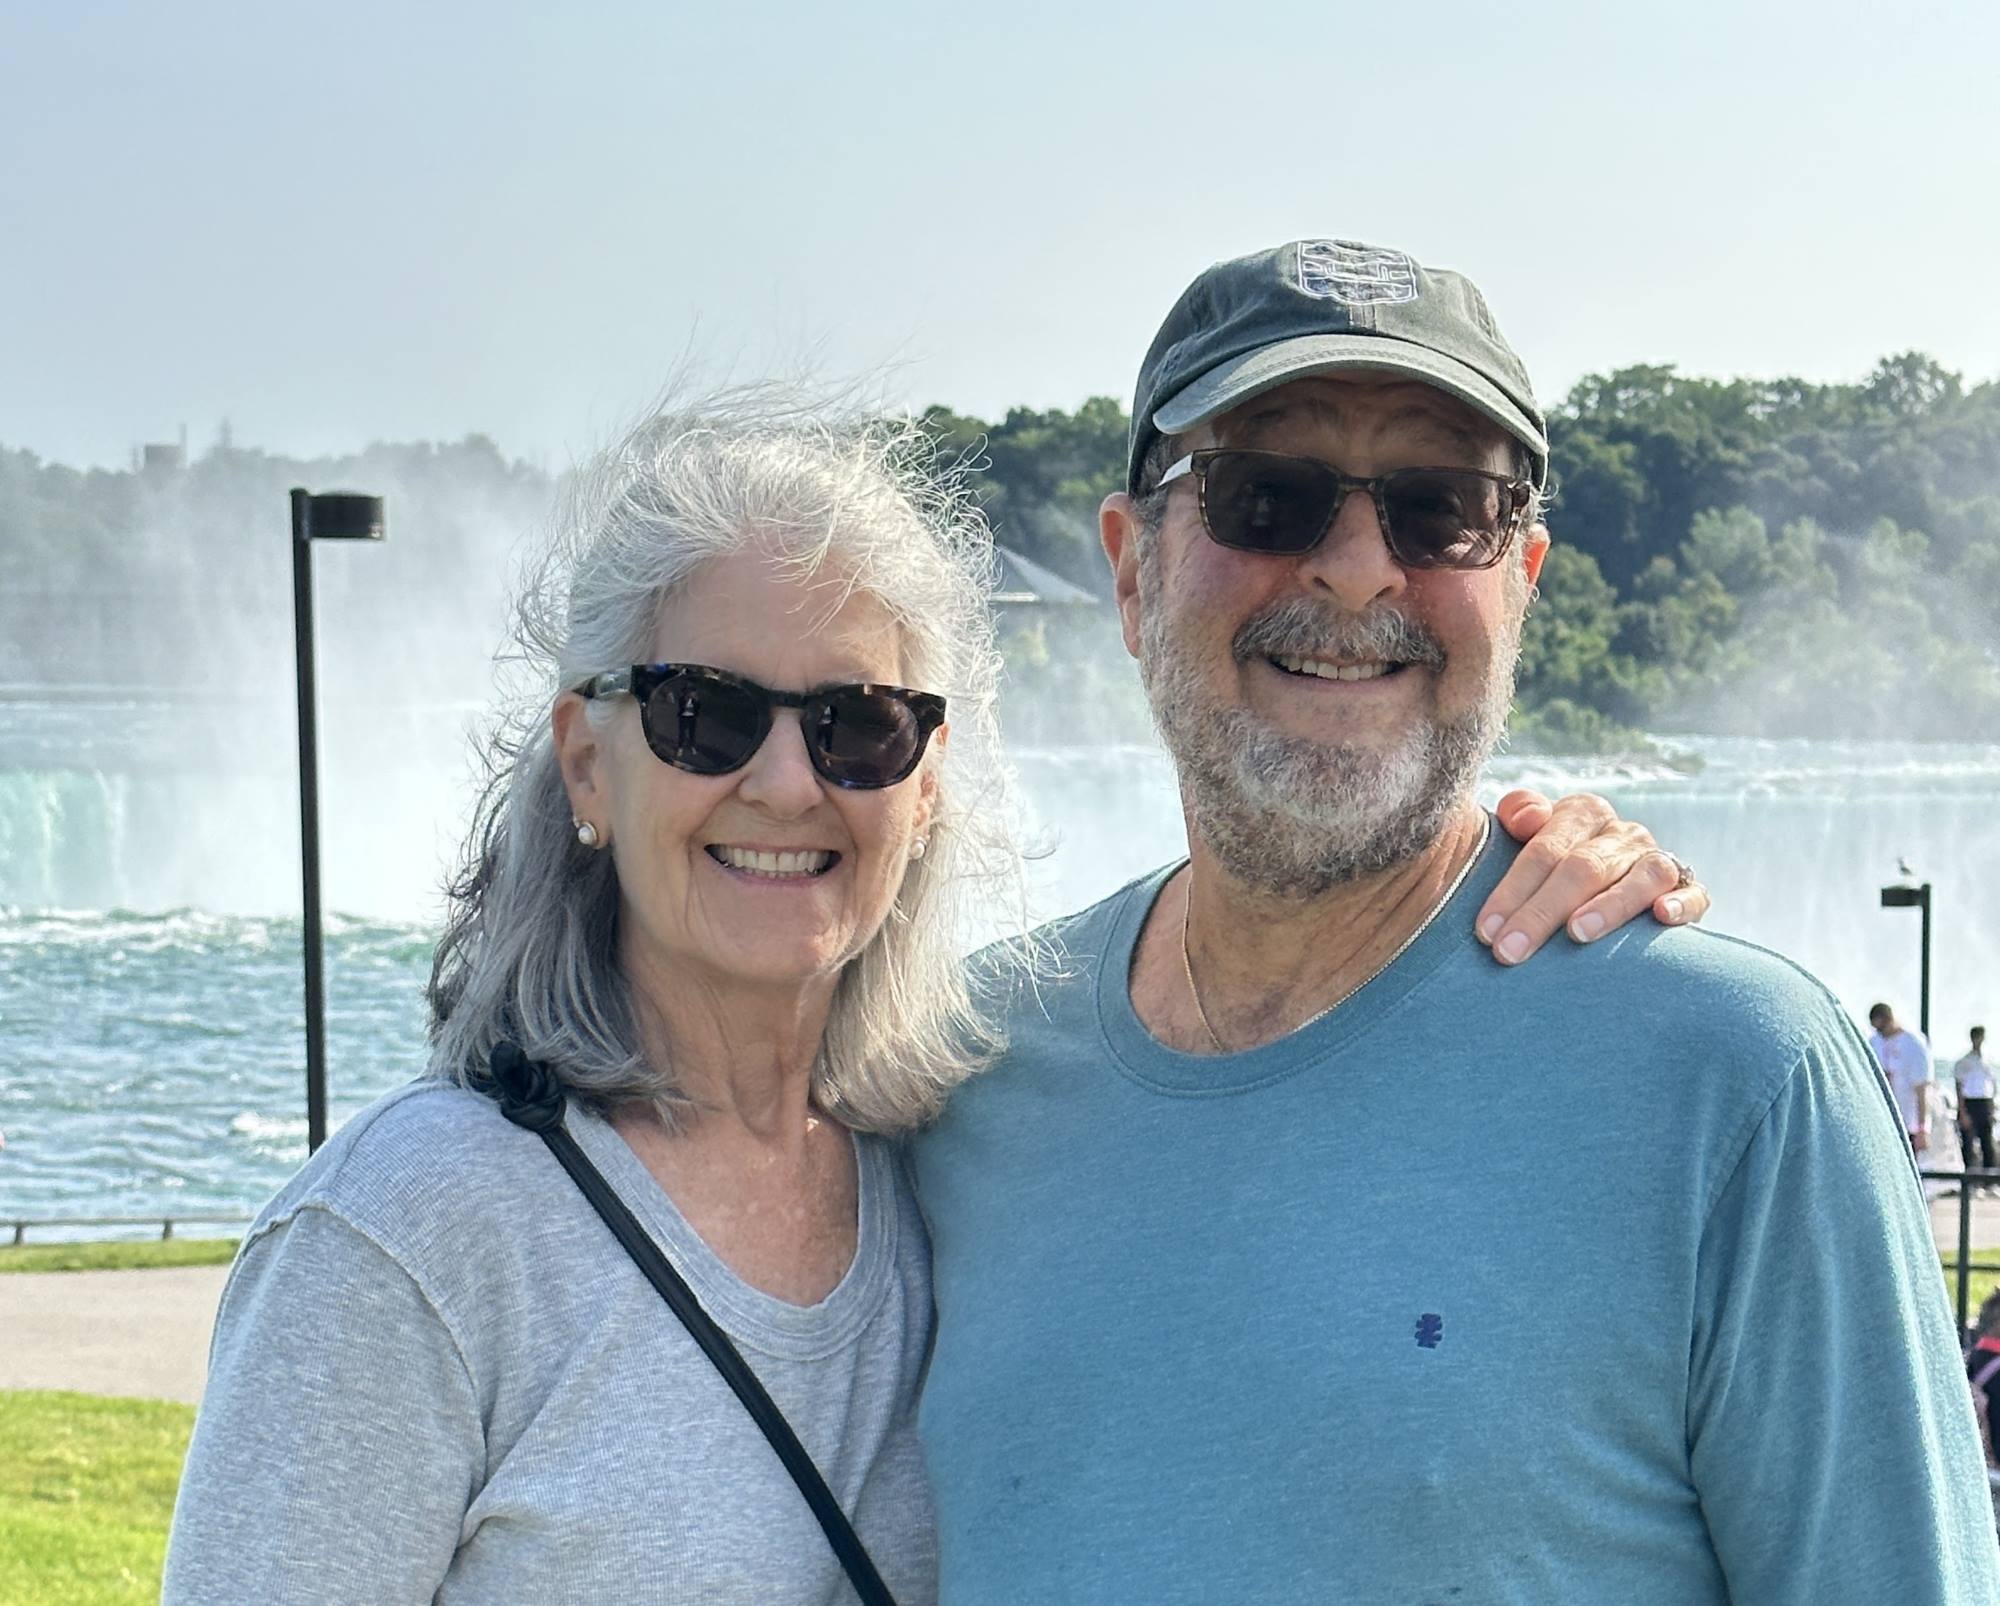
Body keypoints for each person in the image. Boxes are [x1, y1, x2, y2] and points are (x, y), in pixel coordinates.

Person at [161, 390, 1699, 1604]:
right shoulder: (408, 1240)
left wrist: (1538, 863)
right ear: (585, 761)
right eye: (704, 714)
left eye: (858, 723)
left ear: (927, 777)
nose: (785, 780)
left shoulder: (972, 1132)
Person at [910, 239, 1998, 1603]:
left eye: (1441, 510)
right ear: (1129, 573)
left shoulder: (1738, 1083)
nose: (1360, 571)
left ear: (1523, 580)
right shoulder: (954, 1071)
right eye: (1268, 495)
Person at [1871, 1001, 1935, 1157]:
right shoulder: (1874, 1042)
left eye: (1882, 1027)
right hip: (1881, 1121)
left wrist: (1922, 1128)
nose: (1880, 1033)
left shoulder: (1914, 1044)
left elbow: (1922, 1089)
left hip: (1907, 1121)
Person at [1960, 1026, 1997, 1175]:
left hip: (1985, 1102)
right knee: (1968, 1143)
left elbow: (1993, 1086)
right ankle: (1969, 1182)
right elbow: (1959, 1087)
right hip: (1970, 1102)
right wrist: (1962, 1112)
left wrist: (1993, 1108)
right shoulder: (1965, 1061)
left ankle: (1989, 1181)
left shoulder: (1989, 1061)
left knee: (1987, 1142)